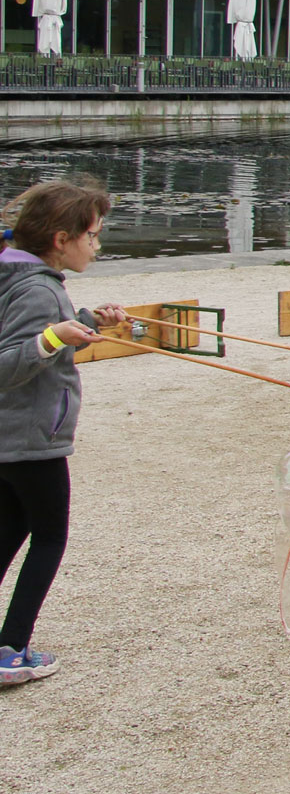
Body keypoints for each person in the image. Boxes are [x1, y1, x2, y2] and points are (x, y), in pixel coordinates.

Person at [0, 180, 127, 685]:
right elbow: (11, 360)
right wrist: (54, 336)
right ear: (60, 239)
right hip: (31, 439)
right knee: (50, 537)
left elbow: (34, 334)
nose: (97, 245)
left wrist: (85, 321)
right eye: (92, 236)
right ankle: (11, 649)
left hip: (14, 437)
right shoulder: (37, 288)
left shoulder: (19, 277)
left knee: (10, 529)